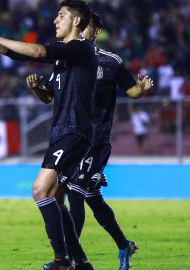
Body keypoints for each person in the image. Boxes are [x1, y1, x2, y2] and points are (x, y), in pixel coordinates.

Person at [0, 1, 97, 269]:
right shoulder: (64, 59)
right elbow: (35, 78)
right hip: (62, 132)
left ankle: (61, 260)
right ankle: (81, 262)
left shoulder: (80, 48)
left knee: (40, 189)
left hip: (74, 130)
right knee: (54, 198)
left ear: (76, 22)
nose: (55, 20)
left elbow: (35, 50)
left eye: (61, 15)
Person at [63, 13, 154, 270]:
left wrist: (142, 88)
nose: (81, 30)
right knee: (93, 198)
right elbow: (51, 93)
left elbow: (132, 91)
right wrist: (38, 89)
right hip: (75, 139)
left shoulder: (111, 62)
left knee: (76, 192)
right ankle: (124, 245)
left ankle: (70, 258)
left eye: (86, 26)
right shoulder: (69, 59)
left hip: (98, 139)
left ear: (97, 30)